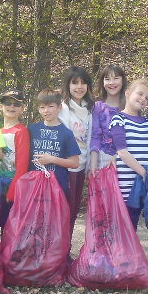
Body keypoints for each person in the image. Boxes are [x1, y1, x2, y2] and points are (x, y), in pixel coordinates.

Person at [109, 79, 148, 230]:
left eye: (147, 98)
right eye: (140, 94)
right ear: (128, 93)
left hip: (142, 183)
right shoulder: (118, 119)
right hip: (126, 184)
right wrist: (143, 172)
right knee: (123, 225)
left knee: (133, 222)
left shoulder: (147, 123)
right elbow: (122, 152)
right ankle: (120, 253)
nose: (143, 99)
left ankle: (130, 253)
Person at [58, 67, 94, 232]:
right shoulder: (62, 109)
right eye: (75, 83)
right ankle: (57, 253)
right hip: (65, 167)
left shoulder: (90, 109)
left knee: (73, 210)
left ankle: (66, 249)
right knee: (62, 211)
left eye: (83, 83)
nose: (79, 87)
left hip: (82, 165)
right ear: (68, 85)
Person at [28, 89, 81, 197]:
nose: (46, 110)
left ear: (59, 107)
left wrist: (52, 159)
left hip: (58, 187)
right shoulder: (32, 130)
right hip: (34, 186)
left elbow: (75, 163)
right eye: (42, 107)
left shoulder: (66, 133)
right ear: (38, 109)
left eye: (50, 106)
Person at [0, 89, 30, 227]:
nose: (11, 107)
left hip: (12, 185)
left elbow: (22, 166)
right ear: (1, 107)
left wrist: (12, 192)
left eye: (16, 104)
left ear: (22, 109)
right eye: (8, 103)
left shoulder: (21, 131)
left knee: (9, 226)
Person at [88, 64, 128, 177]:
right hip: (102, 159)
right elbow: (95, 136)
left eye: (116, 78)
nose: (112, 83)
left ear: (123, 80)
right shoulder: (98, 107)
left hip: (126, 159)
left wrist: (118, 156)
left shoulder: (129, 106)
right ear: (102, 82)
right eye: (107, 79)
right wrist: (93, 164)